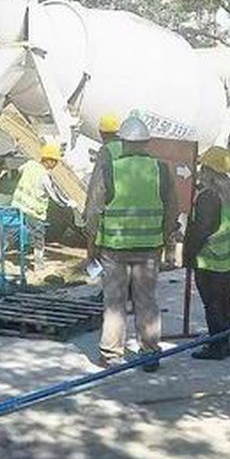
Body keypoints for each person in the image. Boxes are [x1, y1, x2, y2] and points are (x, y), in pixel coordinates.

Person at [84, 115, 173, 370]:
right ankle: (150, 354)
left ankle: (111, 356)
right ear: (147, 143)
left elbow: (94, 210)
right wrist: (164, 242)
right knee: (147, 300)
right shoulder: (161, 169)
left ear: (122, 142)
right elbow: (172, 211)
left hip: (114, 248)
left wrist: (91, 246)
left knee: (114, 303)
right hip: (149, 250)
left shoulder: (110, 169)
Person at [182, 146, 230, 360]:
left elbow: (202, 228)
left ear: (208, 169)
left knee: (212, 305)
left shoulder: (209, 196)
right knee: (225, 303)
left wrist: (188, 255)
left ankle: (217, 347)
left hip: (210, 260)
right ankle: (223, 341)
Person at [10, 142, 67, 267]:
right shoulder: (44, 176)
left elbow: (20, 170)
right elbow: (54, 196)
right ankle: (38, 264)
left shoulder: (30, 165)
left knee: (10, 233)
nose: (56, 164)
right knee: (38, 237)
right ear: (48, 160)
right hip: (34, 211)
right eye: (55, 161)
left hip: (18, 205)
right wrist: (68, 203)